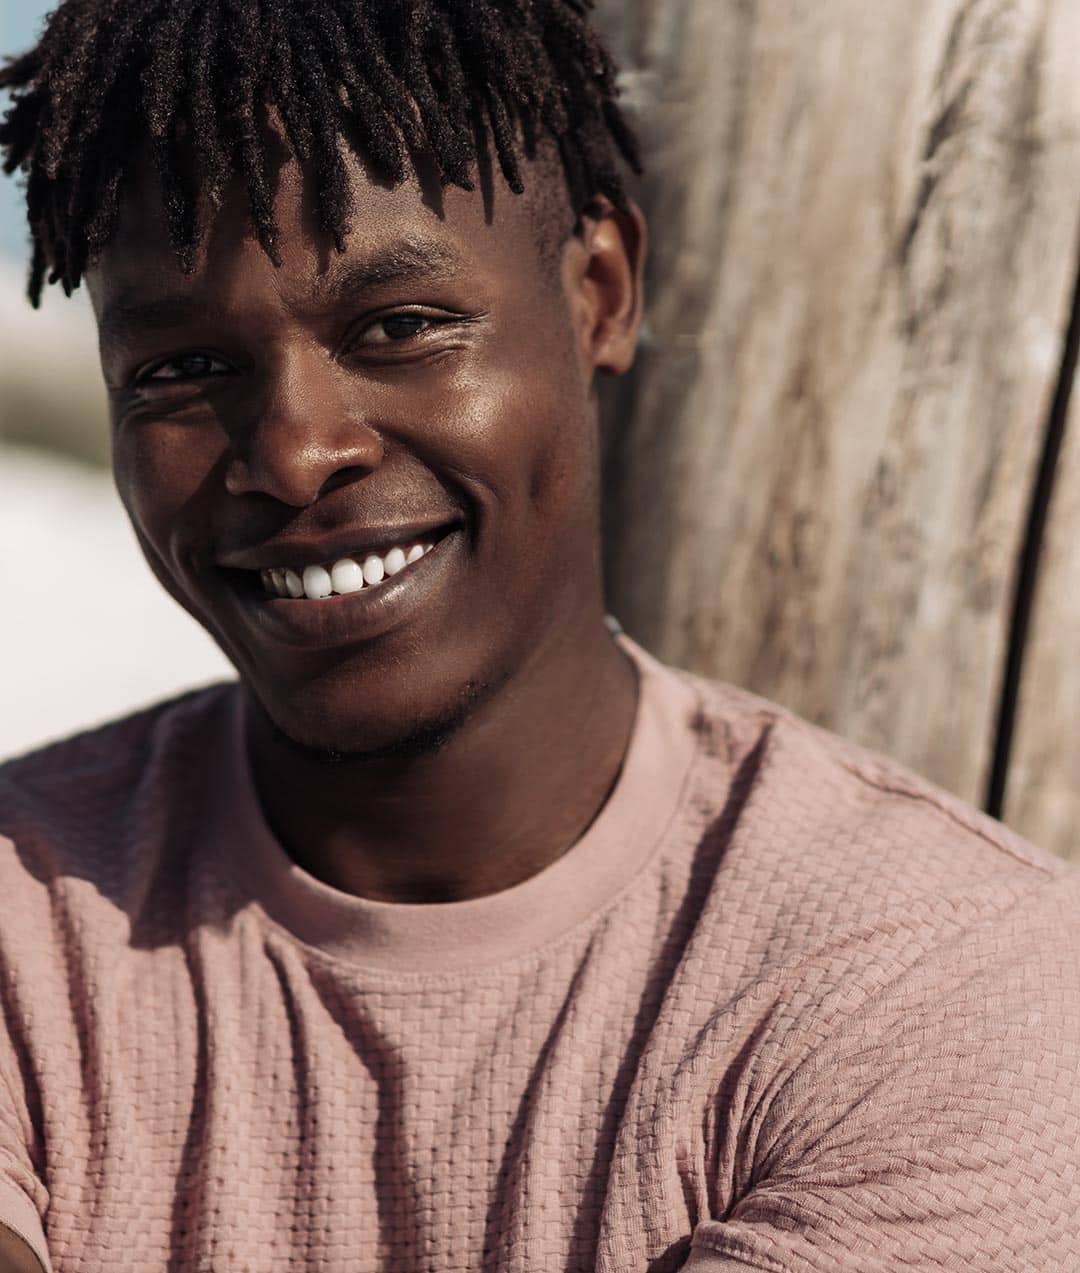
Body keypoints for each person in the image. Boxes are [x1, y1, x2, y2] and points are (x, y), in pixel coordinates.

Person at [1, 2, 1078, 1270]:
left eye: (400, 326)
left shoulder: (936, 974)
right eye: (181, 370)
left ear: (598, 295)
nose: (294, 454)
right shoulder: (29, 916)